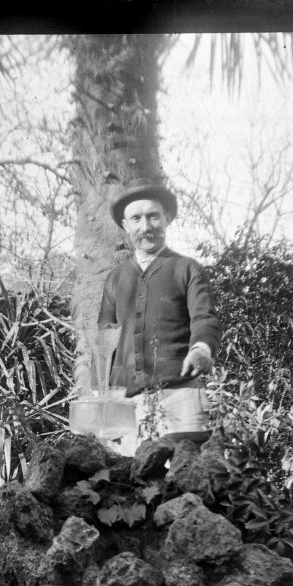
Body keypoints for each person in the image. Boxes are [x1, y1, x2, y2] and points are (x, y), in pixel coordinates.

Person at [97, 177, 222, 450]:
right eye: (137, 219)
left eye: (153, 216)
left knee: (186, 479)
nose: (146, 227)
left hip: (180, 396)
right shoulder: (115, 279)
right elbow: (105, 339)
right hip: (125, 401)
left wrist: (201, 348)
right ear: (125, 225)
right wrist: (104, 392)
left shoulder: (187, 269)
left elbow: (204, 317)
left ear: (166, 218)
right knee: (126, 483)